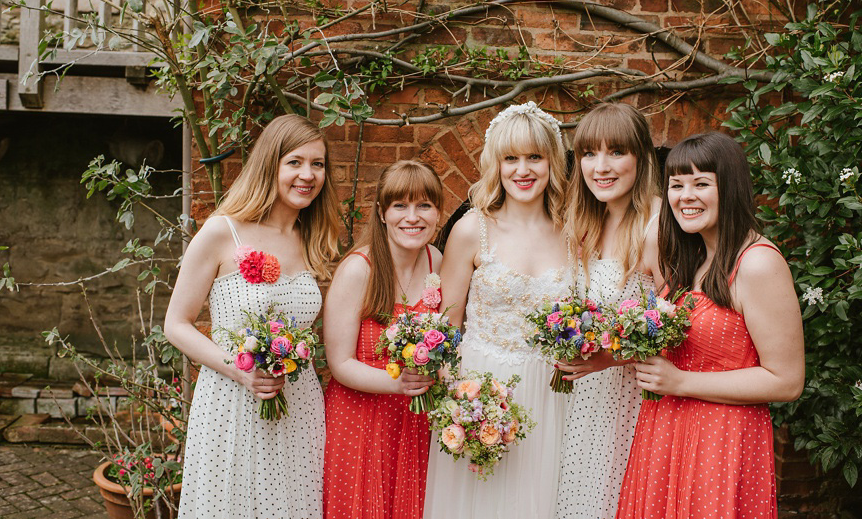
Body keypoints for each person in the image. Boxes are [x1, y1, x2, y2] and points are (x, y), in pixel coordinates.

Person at [617, 131, 804, 519]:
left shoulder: (757, 264)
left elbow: (786, 380)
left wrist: (681, 382)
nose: (686, 196)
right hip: (665, 431)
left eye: (702, 183)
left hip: (721, 441)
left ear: (731, 187)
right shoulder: (692, 258)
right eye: (676, 185)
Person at [164, 114, 341, 519]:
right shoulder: (222, 232)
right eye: (295, 162)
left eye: (318, 164)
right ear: (270, 164)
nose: (308, 174)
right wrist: (239, 371)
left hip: (299, 405)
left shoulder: (311, 238)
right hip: (231, 401)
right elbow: (176, 323)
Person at [423, 101, 572, 519]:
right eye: (511, 159)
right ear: (497, 164)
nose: (522, 170)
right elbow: (447, 328)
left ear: (551, 162)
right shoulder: (473, 229)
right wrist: (460, 406)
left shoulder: (575, 230)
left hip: (552, 392)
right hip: (481, 390)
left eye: (534, 158)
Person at [553, 103, 662, 519]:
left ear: (642, 157)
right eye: (588, 153)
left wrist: (608, 358)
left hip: (631, 400)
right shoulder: (584, 224)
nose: (601, 166)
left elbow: (679, 327)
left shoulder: (657, 226)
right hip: (582, 401)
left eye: (616, 152)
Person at [322, 160, 444, 519]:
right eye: (400, 206)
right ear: (382, 212)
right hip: (361, 419)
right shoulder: (359, 269)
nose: (413, 217)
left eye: (424, 205)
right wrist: (400, 384)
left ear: (438, 212)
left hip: (416, 420)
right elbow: (339, 363)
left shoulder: (436, 261)